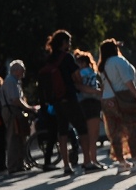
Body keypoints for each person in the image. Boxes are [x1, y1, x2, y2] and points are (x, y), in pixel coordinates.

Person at [40, 30, 95, 176]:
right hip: (69, 98)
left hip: (56, 102)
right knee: (82, 129)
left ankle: (66, 166)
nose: (69, 45)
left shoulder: (49, 59)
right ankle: (87, 162)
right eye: (68, 42)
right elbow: (77, 77)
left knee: (62, 132)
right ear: (64, 42)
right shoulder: (67, 58)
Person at [99, 39, 136, 174]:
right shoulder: (119, 61)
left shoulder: (103, 65)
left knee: (115, 132)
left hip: (107, 101)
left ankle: (121, 162)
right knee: (133, 127)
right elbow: (127, 81)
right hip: (123, 98)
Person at [0, 60, 36, 173]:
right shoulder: (10, 81)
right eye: (22, 69)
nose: (24, 71)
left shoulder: (15, 81)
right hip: (11, 110)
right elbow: (15, 100)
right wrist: (29, 108)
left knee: (20, 137)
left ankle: (19, 163)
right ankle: (12, 165)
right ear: (15, 70)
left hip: (14, 110)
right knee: (13, 138)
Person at [74, 50, 107, 173]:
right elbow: (90, 88)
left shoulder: (78, 74)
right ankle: (93, 160)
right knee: (94, 134)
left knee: (87, 134)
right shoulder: (89, 72)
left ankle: (88, 159)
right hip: (91, 102)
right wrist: (97, 92)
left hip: (82, 103)